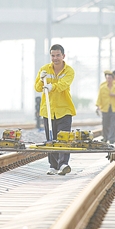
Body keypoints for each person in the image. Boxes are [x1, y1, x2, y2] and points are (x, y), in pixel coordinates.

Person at [34, 44, 76, 176]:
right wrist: (42, 79)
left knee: (63, 139)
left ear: (63, 56)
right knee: (50, 138)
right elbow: (37, 88)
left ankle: (63, 164)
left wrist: (52, 87)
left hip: (64, 109)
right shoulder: (44, 69)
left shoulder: (69, 70)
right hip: (48, 109)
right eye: (53, 55)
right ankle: (53, 166)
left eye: (58, 55)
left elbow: (64, 85)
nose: (55, 58)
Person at [96, 70, 115, 144]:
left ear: (113, 79)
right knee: (105, 124)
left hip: (114, 108)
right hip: (105, 108)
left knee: (113, 124)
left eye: (110, 78)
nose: (109, 80)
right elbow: (99, 97)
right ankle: (105, 137)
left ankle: (112, 138)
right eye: (107, 78)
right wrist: (98, 105)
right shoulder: (102, 87)